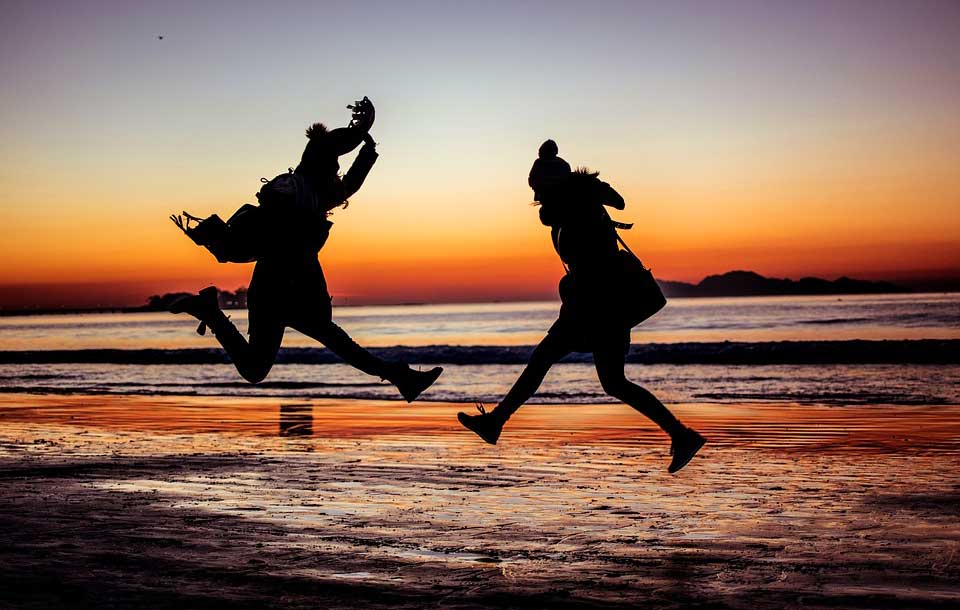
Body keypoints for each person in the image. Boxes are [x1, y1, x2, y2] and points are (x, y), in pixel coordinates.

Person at [168, 98, 443, 402]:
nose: (337, 169)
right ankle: (403, 378)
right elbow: (326, 163)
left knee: (299, 354)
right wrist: (359, 137)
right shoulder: (291, 189)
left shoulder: (315, 194)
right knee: (294, 355)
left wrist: (367, 148)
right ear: (320, 165)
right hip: (276, 288)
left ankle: (403, 378)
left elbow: (349, 184)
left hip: (293, 287)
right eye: (333, 165)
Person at [458, 140, 705, 473]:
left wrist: (586, 193)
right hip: (596, 305)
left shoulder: (578, 207)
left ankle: (495, 423)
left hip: (598, 306)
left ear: (552, 185)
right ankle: (681, 434)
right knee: (611, 381)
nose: (536, 197)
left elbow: (597, 252)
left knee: (546, 359)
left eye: (538, 189)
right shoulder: (572, 207)